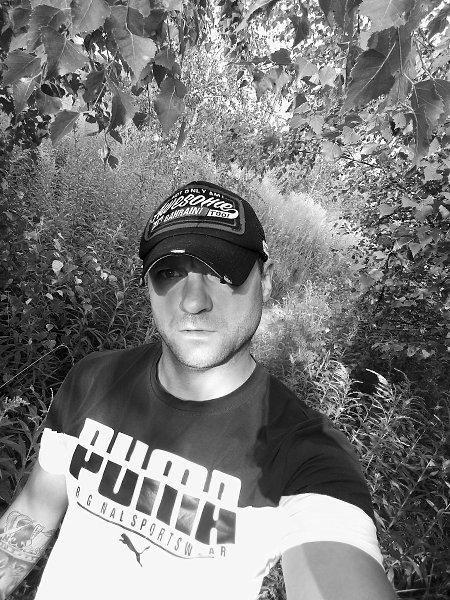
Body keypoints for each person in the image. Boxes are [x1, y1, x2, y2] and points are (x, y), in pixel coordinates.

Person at [0, 181, 397, 600]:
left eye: (221, 272)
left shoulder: (303, 454)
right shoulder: (94, 380)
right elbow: (36, 509)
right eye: (169, 273)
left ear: (266, 280)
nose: (193, 302)